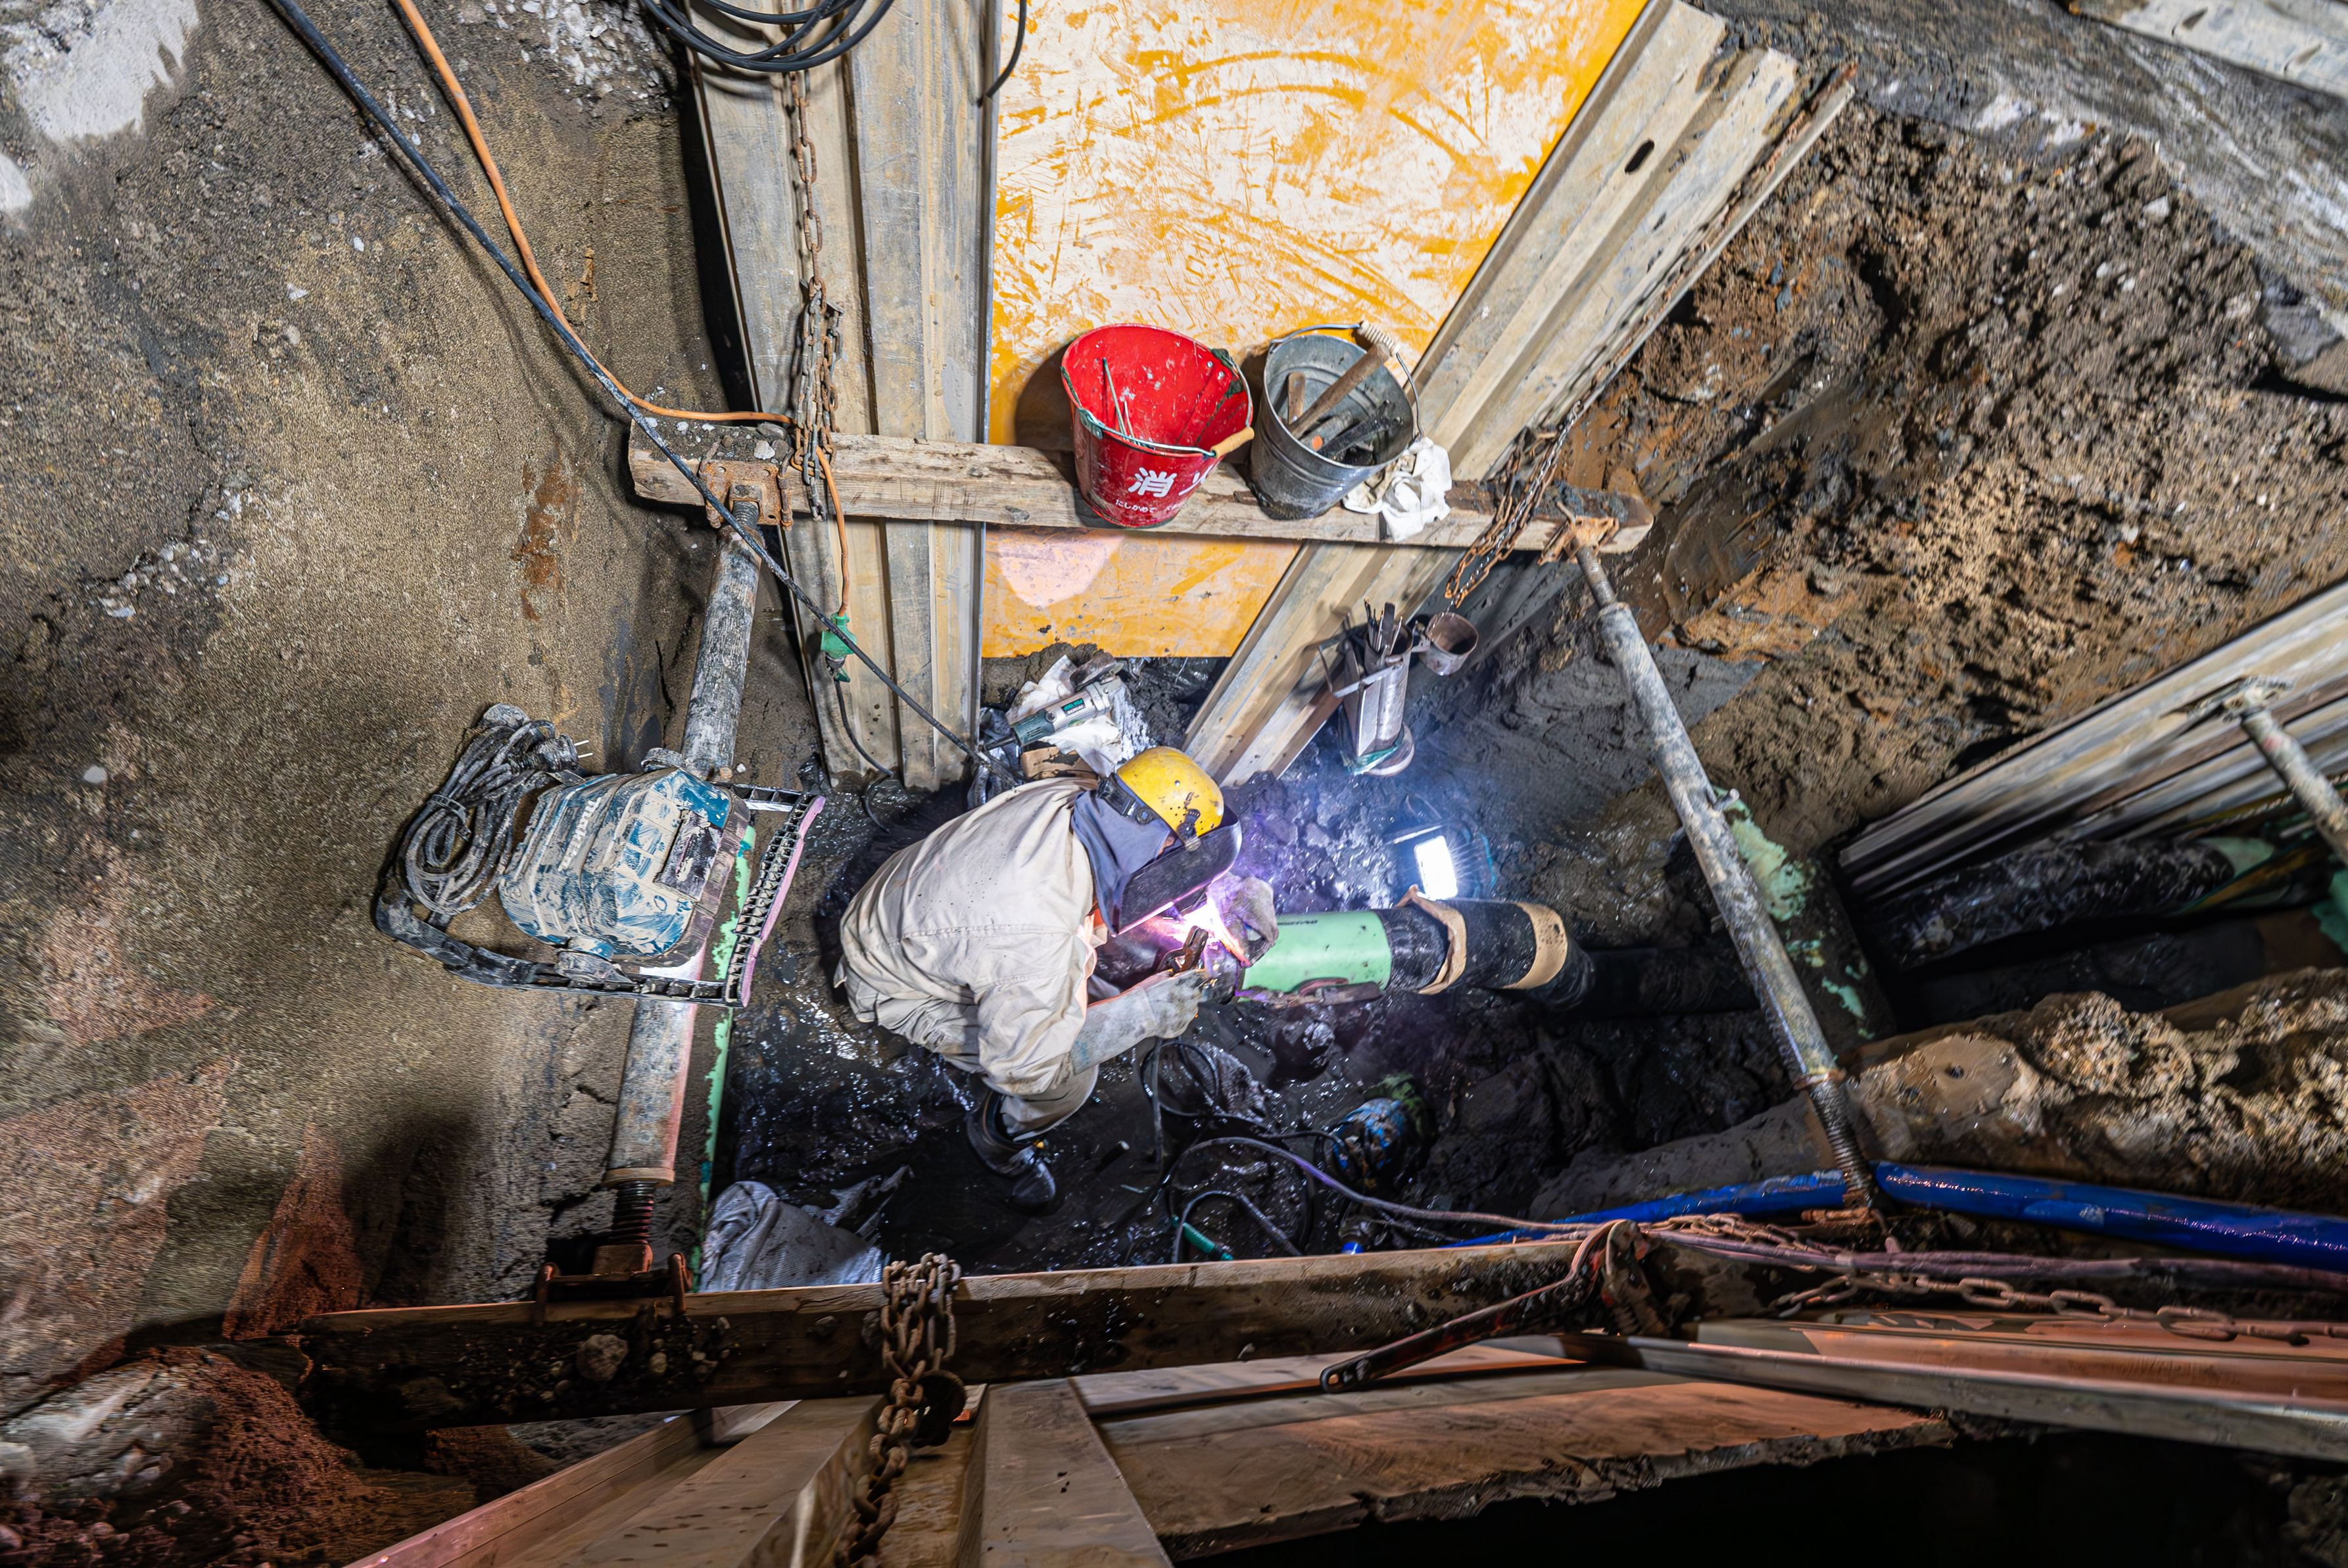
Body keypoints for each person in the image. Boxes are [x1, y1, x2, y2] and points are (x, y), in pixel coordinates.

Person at [836, 748, 1277, 1210]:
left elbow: (1152, 856)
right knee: (1070, 1080)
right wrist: (1143, 1013)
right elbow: (1028, 1068)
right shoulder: (1038, 938)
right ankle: (998, 1140)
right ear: (1163, 845)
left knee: (1108, 958)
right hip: (892, 979)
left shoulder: (1085, 798)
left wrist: (1218, 894)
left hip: (903, 903)